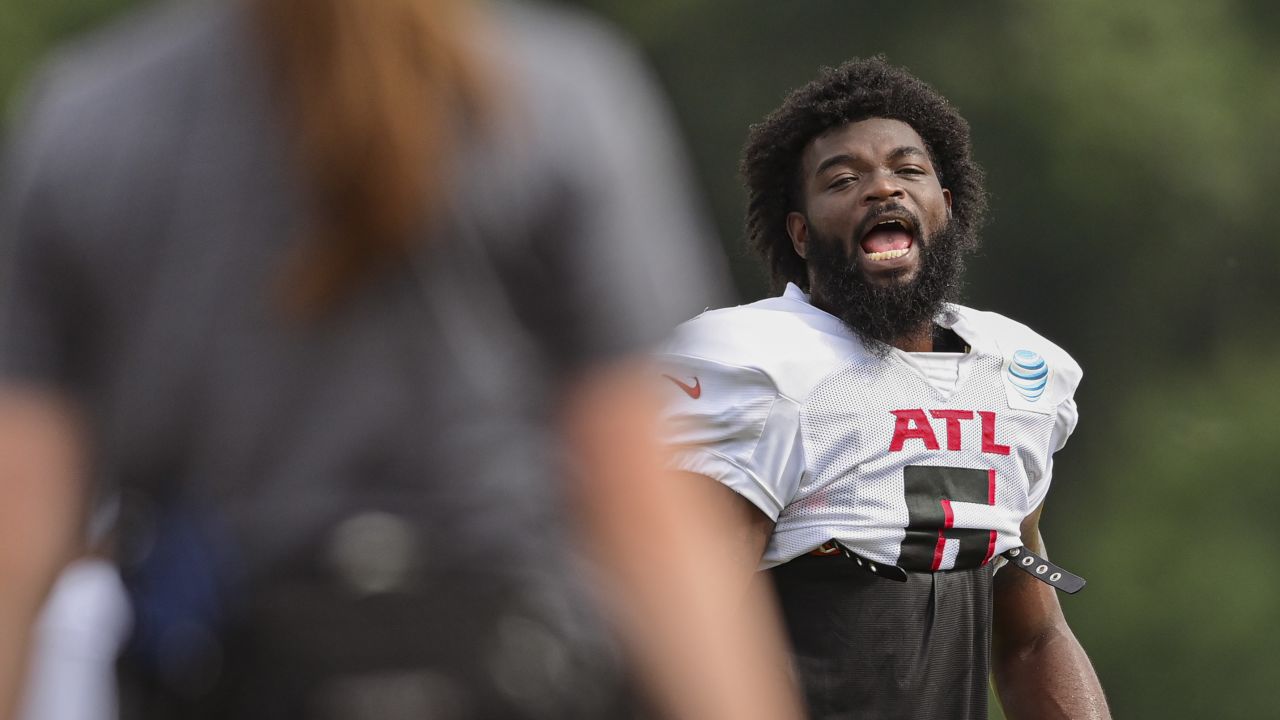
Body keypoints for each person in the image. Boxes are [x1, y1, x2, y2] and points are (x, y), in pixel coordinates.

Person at [0, 1, 803, 719]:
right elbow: (646, 510)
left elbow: (19, 526)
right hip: (516, 669)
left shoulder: (94, 121)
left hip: (218, 670)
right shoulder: (557, 99)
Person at [659, 56, 1111, 719]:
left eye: (908, 170)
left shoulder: (1013, 377)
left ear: (945, 209)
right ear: (801, 231)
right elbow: (685, 635)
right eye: (843, 179)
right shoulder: (766, 369)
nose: (882, 190)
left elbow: (1031, 638)